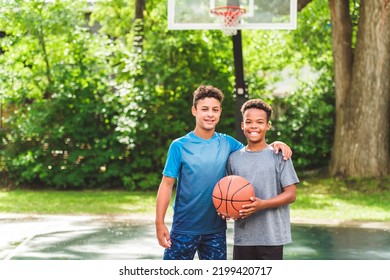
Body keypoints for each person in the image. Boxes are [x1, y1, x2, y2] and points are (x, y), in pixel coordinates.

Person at [155, 85, 292, 260]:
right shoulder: (179, 146)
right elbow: (166, 185)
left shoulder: (228, 143)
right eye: (204, 109)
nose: (210, 114)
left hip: (216, 231)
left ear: (220, 112)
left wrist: (275, 144)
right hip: (184, 228)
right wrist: (159, 223)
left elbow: (254, 149)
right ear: (194, 111)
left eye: (215, 109)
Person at [226, 98, 299, 260]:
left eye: (259, 122)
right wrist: (227, 210)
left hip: (271, 237)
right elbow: (228, 194)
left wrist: (262, 204)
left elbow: (291, 194)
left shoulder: (279, 155)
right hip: (243, 238)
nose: (253, 126)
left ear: (267, 126)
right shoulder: (234, 158)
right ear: (242, 125)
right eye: (249, 121)